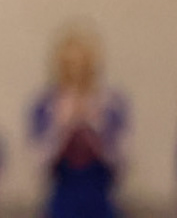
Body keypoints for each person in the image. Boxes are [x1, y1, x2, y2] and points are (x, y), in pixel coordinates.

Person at [28, 25, 131, 218]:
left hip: (100, 199)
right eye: (70, 65)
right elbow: (39, 164)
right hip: (62, 200)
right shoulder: (45, 105)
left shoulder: (112, 103)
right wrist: (62, 126)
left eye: (82, 64)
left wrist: (95, 123)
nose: (76, 72)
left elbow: (122, 162)